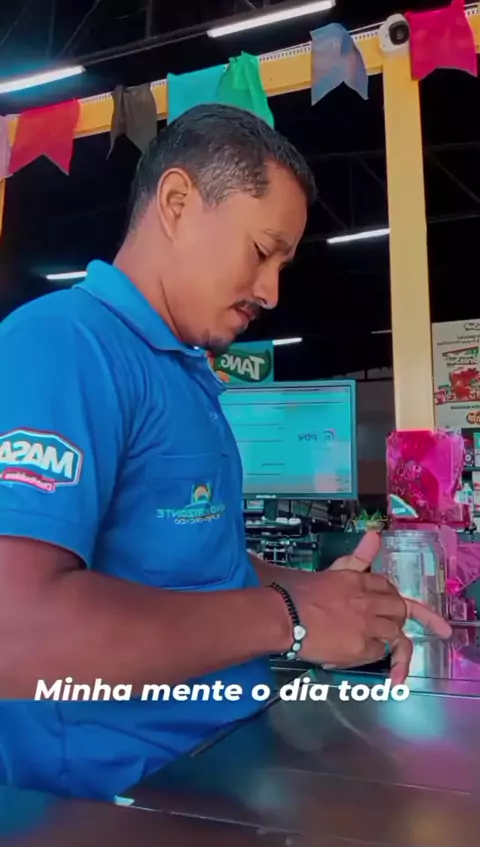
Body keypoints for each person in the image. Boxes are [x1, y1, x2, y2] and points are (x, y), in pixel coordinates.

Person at [0, 104, 451, 801]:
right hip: (111, 800)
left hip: (220, 760)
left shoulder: (185, 373)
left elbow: (186, 564)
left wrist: (324, 596)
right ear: (178, 202)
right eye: (261, 251)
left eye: (283, 265)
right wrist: (289, 619)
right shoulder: (63, 346)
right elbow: (16, 631)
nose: (271, 290)